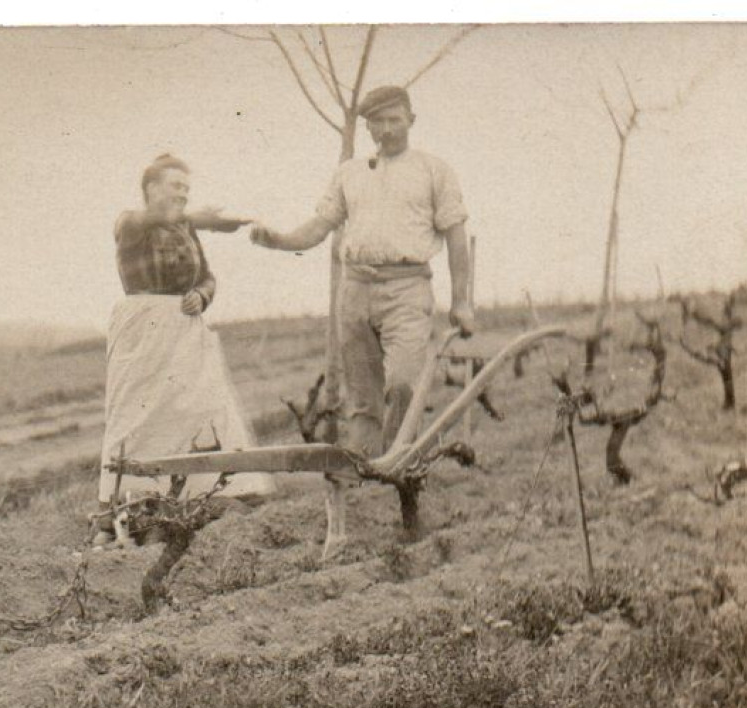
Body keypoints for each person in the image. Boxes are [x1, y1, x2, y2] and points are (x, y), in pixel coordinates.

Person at [249, 85, 474, 556]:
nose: (387, 129)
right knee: (362, 401)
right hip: (355, 289)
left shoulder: (434, 170)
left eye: (395, 119)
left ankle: (397, 464)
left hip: (408, 287)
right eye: (378, 122)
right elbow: (319, 226)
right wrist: (279, 240)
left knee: (405, 384)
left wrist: (463, 301)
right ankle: (368, 482)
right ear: (368, 127)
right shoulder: (350, 173)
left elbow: (456, 237)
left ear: (411, 119)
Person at [97, 154, 265, 543]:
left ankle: (194, 501)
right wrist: (196, 218)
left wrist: (201, 296)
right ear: (151, 189)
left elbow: (207, 276)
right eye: (176, 187)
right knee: (138, 417)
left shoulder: (186, 229)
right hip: (143, 328)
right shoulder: (130, 224)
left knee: (197, 410)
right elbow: (139, 220)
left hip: (185, 329)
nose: (183, 195)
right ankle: (121, 510)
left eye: (187, 190)